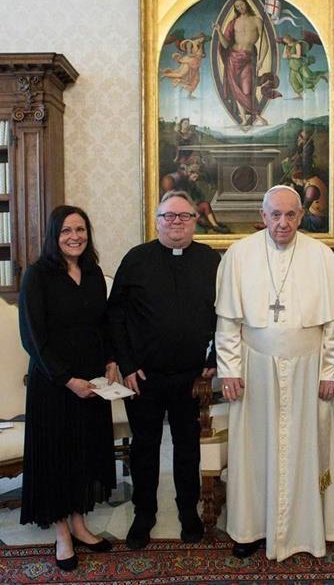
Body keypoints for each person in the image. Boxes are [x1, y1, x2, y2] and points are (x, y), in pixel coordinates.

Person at [215, 185, 334, 562]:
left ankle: (308, 529)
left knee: (308, 446)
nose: (282, 223)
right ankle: (250, 528)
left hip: (310, 369)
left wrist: (333, 371)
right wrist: (229, 370)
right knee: (253, 449)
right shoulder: (239, 254)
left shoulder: (321, 255)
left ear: (301, 216)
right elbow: (227, 321)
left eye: (291, 215)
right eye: (275, 214)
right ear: (262, 216)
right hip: (255, 367)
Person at [108, 190, 220, 550]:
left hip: (192, 376)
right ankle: (144, 513)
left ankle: (188, 510)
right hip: (144, 377)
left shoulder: (211, 260)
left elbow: (228, 315)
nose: (176, 223)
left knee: (188, 446)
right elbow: (116, 317)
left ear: (195, 221)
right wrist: (127, 365)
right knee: (145, 447)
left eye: (184, 216)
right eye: (168, 216)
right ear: (156, 221)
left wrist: (214, 359)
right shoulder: (136, 259)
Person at [19, 205, 117, 572]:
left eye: (80, 229)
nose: (74, 236)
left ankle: (80, 524)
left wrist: (109, 360)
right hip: (53, 385)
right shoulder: (37, 276)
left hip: (92, 382)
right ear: (53, 236)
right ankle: (62, 534)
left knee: (83, 454)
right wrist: (66, 379)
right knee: (57, 457)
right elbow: (33, 338)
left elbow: (103, 325)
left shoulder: (93, 274)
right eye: (66, 231)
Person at [214, 0, 268, 126]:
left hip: (248, 58)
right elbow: (226, 45)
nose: (240, 8)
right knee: (236, 88)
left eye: (241, 5)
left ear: (247, 4)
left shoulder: (257, 20)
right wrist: (219, 31)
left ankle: (257, 115)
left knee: (247, 90)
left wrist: (261, 60)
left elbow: (265, 43)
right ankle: (244, 119)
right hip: (233, 57)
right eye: (237, 6)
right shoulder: (233, 22)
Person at [281, 34, 328, 99]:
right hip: (292, 65)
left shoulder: (297, 44)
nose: (287, 41)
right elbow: (284, 56)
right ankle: (299, 95)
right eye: (285, 41)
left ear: (290, 38)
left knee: (308, 76)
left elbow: (298, 56)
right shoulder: (286, 47)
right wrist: (288, 55)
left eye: (287, 39)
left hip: (300, 64)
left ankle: (322, 75)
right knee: (292, 80)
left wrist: (290, 55)